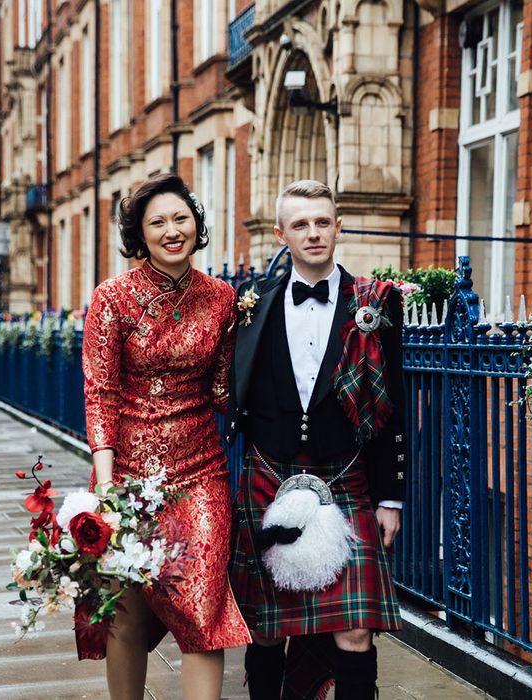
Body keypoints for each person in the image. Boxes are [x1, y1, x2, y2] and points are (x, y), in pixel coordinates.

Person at [226, 179, 407, 699]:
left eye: (322, 222)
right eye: (300, 224)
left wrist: (390, 497)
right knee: (266, 627)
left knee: (354, 628)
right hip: (268, 472)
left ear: (338, 227)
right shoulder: (253, 305)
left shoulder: (374, 303)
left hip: (346, 474)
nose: (313, 233)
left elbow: (393, 407)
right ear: (282, 233)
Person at [81, 173, 250, 700]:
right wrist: (107, 487)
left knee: (204, 610)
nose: (172, 230)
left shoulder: (223, 298)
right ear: (141, 234)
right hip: (126, 474)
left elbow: (224, 390)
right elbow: (100, 391)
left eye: (181, 218)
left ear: (197, 224)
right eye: (158, 222)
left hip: (200, 469)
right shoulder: (113, 298)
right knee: (125, 615)